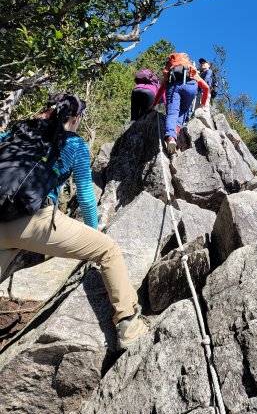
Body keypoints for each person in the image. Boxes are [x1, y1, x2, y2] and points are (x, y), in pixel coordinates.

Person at [0, 92, 148, 351]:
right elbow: (86, 196)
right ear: (76, 117)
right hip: (33, 220)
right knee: (108, 250)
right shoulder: (74, 144)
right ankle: (129, 325)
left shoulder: (18, 131)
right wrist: (93, 230)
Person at [152, 53, 209, 155]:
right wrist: (202, 104)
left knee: (172, 113)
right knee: (182, 111)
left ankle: (170, 137)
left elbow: (161, 90)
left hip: (174, 86)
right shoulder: (189, 68)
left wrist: (153, 105)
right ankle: (177, 133)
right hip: (191, 87)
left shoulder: (170, 69)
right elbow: (206, 87)